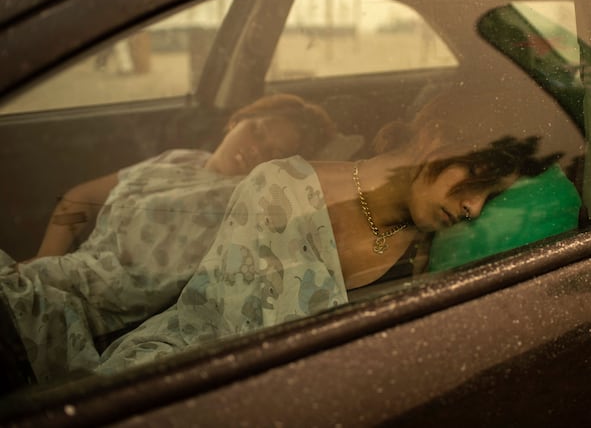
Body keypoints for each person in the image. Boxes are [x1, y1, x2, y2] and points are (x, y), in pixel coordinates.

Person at [2, 87, 561, 382]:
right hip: (183, 373)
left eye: (490, 197)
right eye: (479, 182)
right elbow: (240, 339)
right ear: (438, 136)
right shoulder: (280, 186)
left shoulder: (437, 249)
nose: (474, 209)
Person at [0, 93, 336, 385]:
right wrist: (43, 262)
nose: (254, 147)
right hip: (37, 281)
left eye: (271, 151)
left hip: (66, 318)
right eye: (257, 130)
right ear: (237, 119)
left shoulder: (245, 209)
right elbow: (78, 200)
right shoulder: (178, 159)